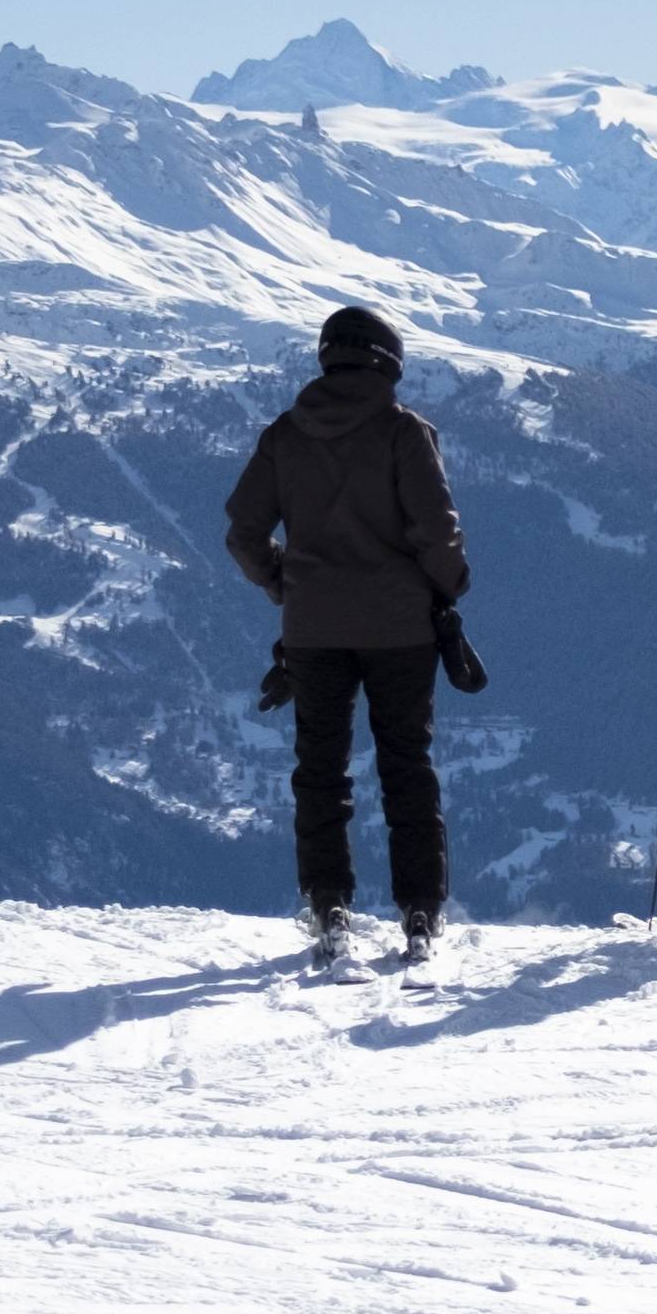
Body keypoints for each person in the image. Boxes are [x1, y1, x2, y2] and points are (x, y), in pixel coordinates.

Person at [221, 304, 471, 965]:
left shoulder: (285, 436)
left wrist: (285, 586)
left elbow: (243, 533)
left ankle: (328, 908)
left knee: (320, 771)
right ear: (389, 362)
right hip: (400, 629)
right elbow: (436, 532)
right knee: (406, 766)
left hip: (313, 629)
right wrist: (448, 587)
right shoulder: (403, 433)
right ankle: (419, 913)